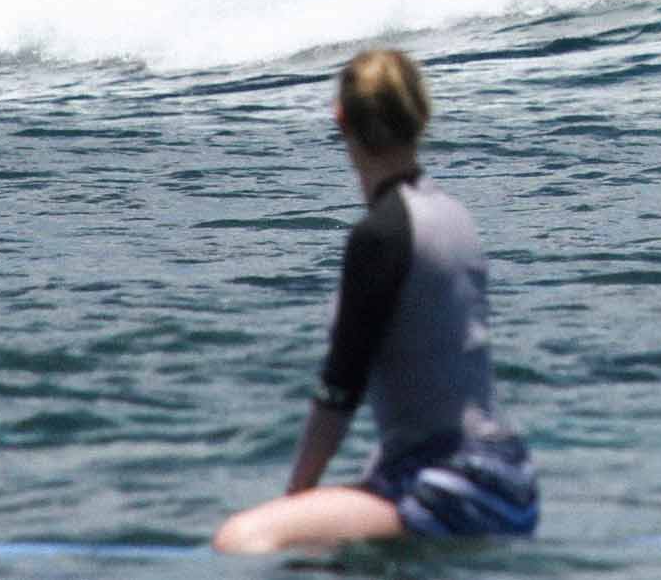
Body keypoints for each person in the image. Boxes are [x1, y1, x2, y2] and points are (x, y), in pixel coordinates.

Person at [213, 49, 537, 554]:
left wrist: (297, 496)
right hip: (510, 478)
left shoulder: (382, 234)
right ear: (420, 115)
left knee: (242, 539)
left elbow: (342, 385)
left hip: (454, 487)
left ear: (340, 118)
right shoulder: (455, 216)